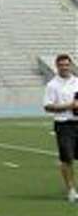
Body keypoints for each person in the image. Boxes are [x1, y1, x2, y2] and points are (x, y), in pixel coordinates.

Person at [44, 53, 78, 202]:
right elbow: (48, 106)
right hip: (64, 124)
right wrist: (68, 106)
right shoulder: (52, 85)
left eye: (67, 64)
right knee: (67, 158)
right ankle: (71, 189)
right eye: (61, 65)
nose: (64, 67)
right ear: (57, 66)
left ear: (71, 65)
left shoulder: (77, 81)